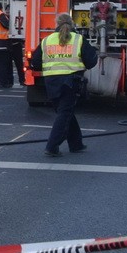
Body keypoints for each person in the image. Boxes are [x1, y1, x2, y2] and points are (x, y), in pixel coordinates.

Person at [29, 12, 98, 157]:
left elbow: (34, 63)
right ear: (72, 23)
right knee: (65, 113)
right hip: (71, 81)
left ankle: (76, 143)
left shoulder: (46, 40)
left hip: (51, 82)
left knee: (64, 111)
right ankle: (52, 146)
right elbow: (91, 61)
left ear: (56, 24)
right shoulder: (78, 39)